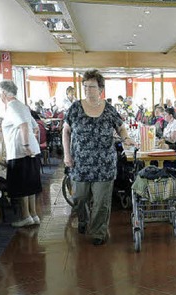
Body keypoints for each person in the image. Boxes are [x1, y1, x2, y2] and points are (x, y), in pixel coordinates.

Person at [62, 69, 134, 245]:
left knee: (102, 202)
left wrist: (125, 138)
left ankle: (98, 232)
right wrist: (66, 154)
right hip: (80, 162)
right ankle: (83, 220)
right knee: (80, 198)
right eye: (85, 86)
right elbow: (66, 131)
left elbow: (121, 127)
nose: (87, 89)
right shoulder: (75, 108)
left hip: (104, 163)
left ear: (100, 89)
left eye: (91, 86)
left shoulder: (109, 109)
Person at [0, 80, 42, 228]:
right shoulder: (23, 106)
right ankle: (33, 214)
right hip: (31, 150)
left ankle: (25, 216)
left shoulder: (12, 107)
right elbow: (35, 127)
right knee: (30, 184)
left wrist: (25, 145)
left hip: (20, 151)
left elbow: (23, 125)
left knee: (23, 185)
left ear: (3, 93)